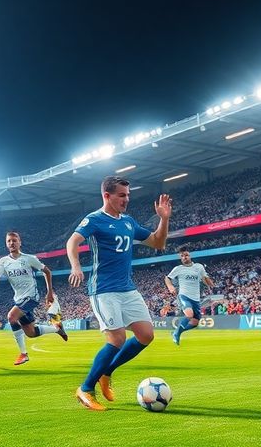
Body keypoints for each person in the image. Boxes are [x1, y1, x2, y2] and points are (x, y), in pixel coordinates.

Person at [67, 176, 171, 411]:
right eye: (122, 195)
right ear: (107, 196)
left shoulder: (128, 221)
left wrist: (164, 220)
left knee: (146, 335)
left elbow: (157, 243)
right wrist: (75, 265)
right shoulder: (94, 219)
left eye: (128, 195)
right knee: (117, 339)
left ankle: (107, 372)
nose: (126, 199)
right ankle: (85, 389)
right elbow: (72, 241)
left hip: (127, 287)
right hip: (103, 289)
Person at [0, 231, 67, 366]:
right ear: (6, 244)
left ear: (20, 242)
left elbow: (47, 271)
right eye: (9, 241)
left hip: (31, 296)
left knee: (11, 317)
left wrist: (49, 292)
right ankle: (56, 328)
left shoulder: (29, 258)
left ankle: (23, 354)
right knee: (31, 333)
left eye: (14, 240)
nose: (12, 243)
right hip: (18, 299)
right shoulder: (3, 261)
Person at [164, 246, 213, 346]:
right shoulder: (178, 269)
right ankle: (176, 334)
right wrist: (170, 287)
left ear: (190, 256)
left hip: (196, 298)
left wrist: (209, 283)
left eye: (186, 255)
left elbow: (205, 278)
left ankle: (176, 332)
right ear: (180, 258)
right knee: (189, 315)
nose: (184, 257)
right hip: (184, 296)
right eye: (182, 256)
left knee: (195, 323)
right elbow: (167, 278)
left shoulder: (199, 267)